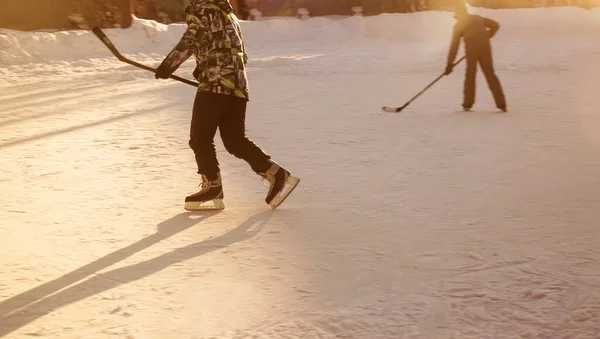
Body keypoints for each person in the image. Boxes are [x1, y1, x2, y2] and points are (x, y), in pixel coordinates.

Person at [154, 0, 299, 210]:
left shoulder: (202, 8)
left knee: (200, 137)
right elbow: (223, 45)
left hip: (217, 82)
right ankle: (275, 173)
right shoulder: (226, 11)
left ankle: (212, 186)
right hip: (238, 83)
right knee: (234, 140)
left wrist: (169, 65)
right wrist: (203, 68)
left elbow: (193, 39)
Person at [445, 7, 507, 112]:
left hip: (473, 52)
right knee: (490, 74)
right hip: (484, 48)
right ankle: (501, 104)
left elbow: (454, 46)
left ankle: (468, 103)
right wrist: (488, 34)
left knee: (470, 76)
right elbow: (496, 25)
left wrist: (449, 64)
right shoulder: (477, 18)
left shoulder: (458, 26)